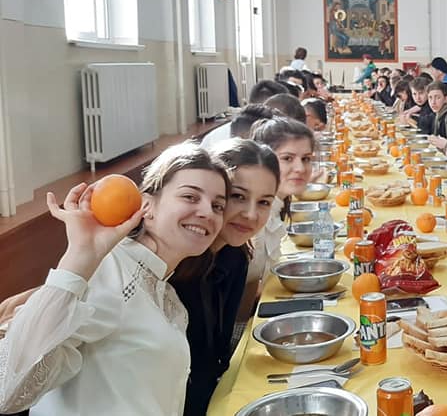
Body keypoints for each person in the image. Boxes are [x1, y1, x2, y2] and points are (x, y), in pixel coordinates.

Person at [0, 143, 230, 415]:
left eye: (218, 206)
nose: (207, 212)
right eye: (190, 197)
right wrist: (78, 259)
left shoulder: (169, 298)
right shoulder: (110, 269)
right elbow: (8, 390)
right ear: (146, 205)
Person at [172, 139, 280, 416]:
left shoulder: (234, 256)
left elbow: (221, 349)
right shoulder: (174, 269)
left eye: (264, 202)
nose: (251, 215)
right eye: (238, 196)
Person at [248, 118, 315, 291]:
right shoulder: (248, 216)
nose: (300, 168)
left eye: (306, 159)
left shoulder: (277, 206)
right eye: (287, 158)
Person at [426, 81, 447, 146]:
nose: (433, 102)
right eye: (430, 98)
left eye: (438, 97)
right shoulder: (438, 112)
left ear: (446, 99)